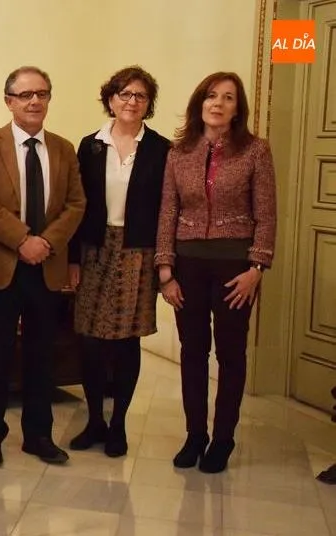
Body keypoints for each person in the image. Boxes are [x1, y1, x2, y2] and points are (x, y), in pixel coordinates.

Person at [0, 66, 85, 468]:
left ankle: (39, 435)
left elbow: (76, 204)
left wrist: (46, 243)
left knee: (41, 355)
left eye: (42, 94)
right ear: (9, 101)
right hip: (1, 267)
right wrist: (22, 240)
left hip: (47, 266)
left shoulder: (65, 149)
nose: (35, 101)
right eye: (26, 94)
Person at [156, 71, 276, 474]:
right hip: (187, 265)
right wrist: (165, 270)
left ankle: (223, 439)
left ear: (237, 108)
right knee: (192, 353)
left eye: (228, 98)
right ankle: (195, 435)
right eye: (211, 96)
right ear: (200, 102)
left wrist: (256, 268)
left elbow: (266, 215)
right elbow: (168, 210)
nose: (218, 103)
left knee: (230, 354)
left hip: (235, 268)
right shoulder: (179, 152)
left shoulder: (255, 151)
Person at [67, 66, 170, 458]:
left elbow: (167, 210)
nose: (131, 101)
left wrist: (164, 264)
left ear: (148, 105)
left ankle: (118, 425)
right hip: (94, 249)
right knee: (91, 340)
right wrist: (74, 258)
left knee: (127, 341)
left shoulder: (161, 149)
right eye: (124, 94)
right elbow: (76, 206)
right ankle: (94, 420)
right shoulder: (89, 145)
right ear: (110, 99)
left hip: (137, 251)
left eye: (140, 96)